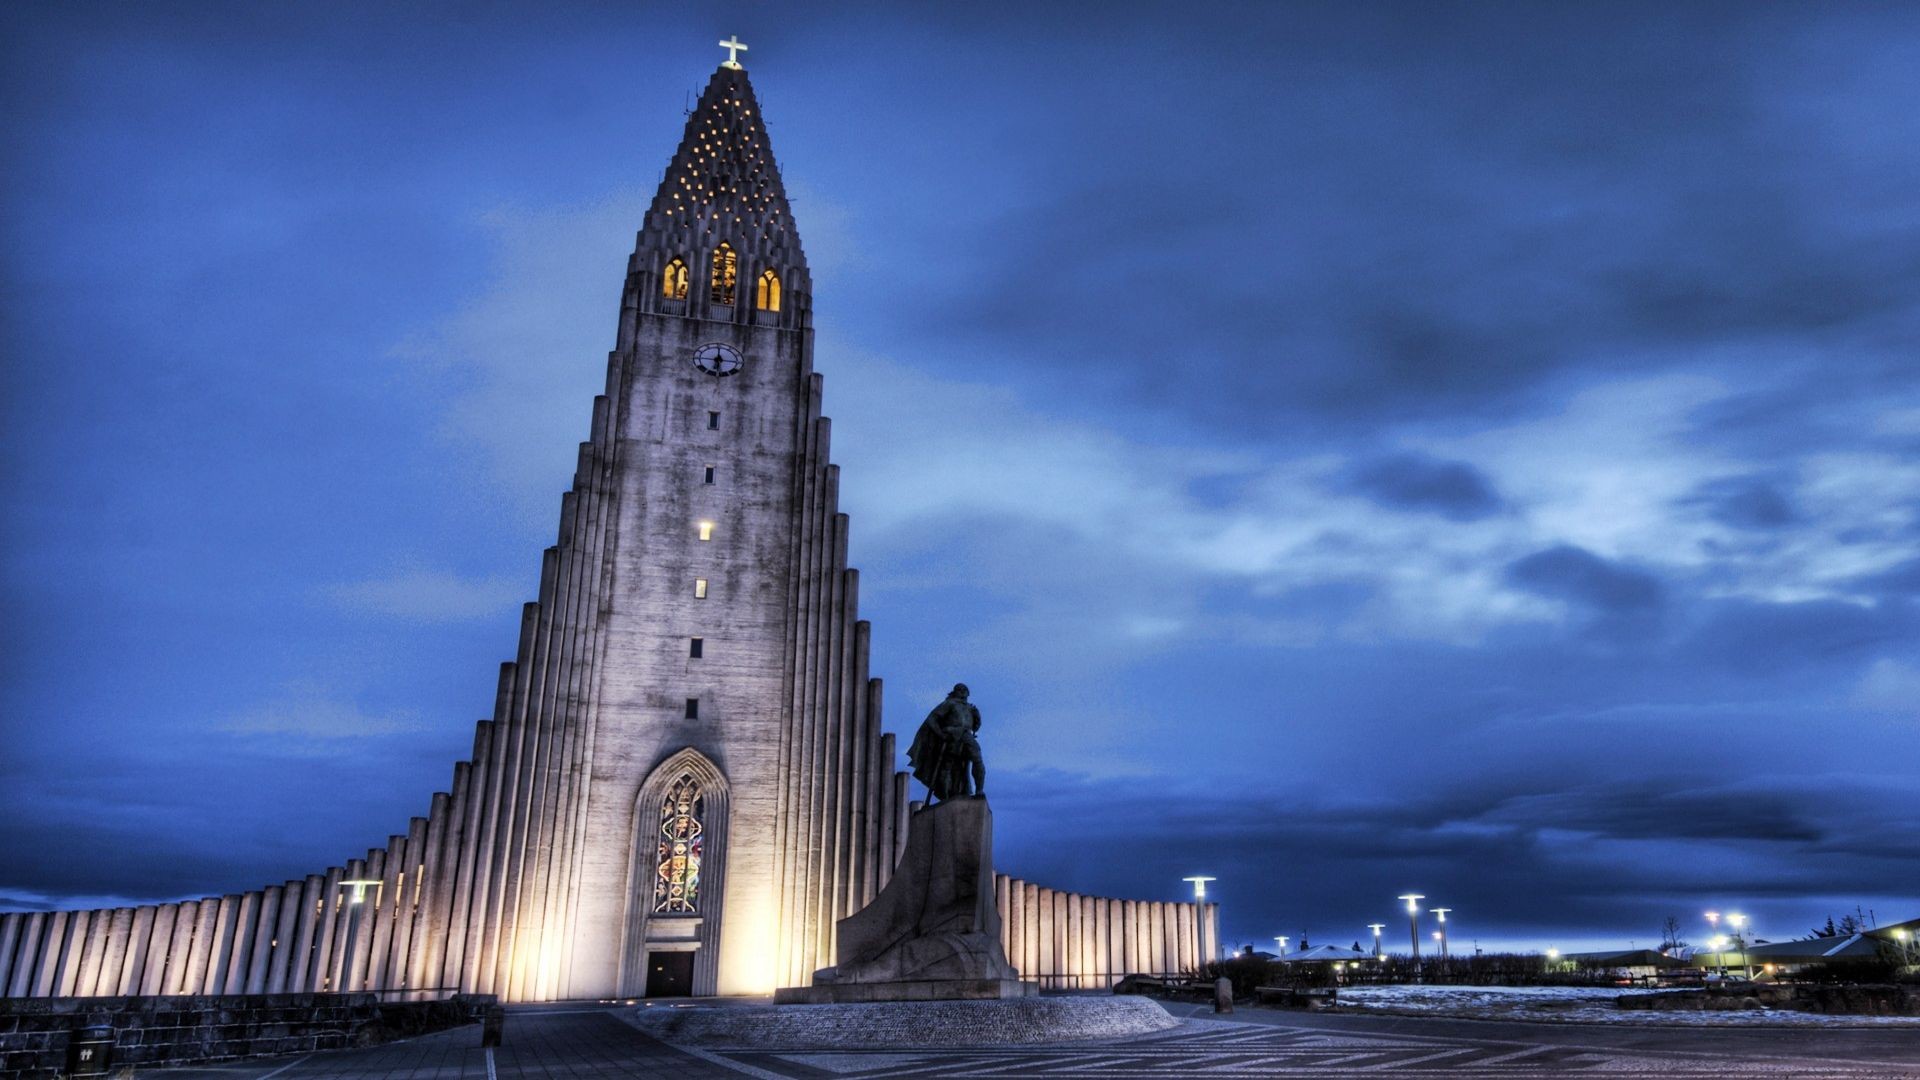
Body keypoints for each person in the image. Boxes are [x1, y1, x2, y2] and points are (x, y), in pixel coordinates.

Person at [907, 682, 986, 802]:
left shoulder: (970, 708)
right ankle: (945, 796)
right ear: (955, 692)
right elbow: (932, 719)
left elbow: (975, 727)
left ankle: (979, 790)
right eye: (959, 689)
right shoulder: (949, 703)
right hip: (952, 735)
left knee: (977, 759)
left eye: (964, 689)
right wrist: (940, 734)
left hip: (966, 736)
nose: (962, 691)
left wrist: (977, 716)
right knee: (947, 765)